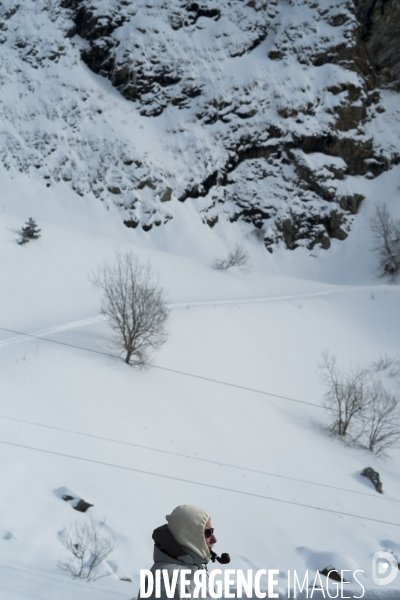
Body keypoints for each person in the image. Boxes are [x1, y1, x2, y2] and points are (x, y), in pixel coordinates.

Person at [138, 505, 229, 600]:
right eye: (208, 532)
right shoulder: (167, 580)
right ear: (188, 535)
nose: (214, 539)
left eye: (212, 531)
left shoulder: (193, 570)